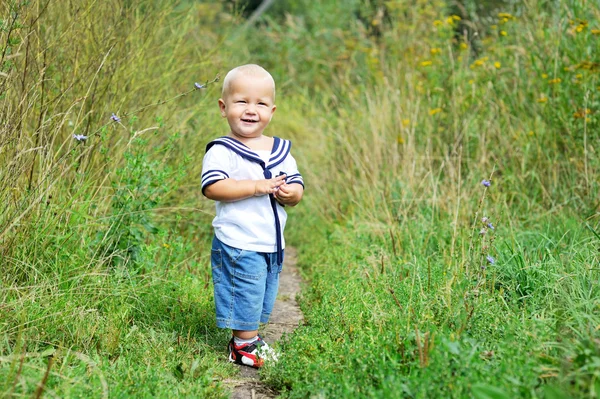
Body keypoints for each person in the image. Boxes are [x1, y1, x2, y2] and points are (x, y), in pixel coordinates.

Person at [201, 64, 304, 368]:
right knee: (245, 287)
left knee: (263, 290)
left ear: (271, 111)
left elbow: (296, 184)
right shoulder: (222, 150)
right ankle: (243, 344)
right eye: (241, 101)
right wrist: (257, 186)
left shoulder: (281, 150)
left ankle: (248, 336)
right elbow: (213, 187)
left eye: (260, 103)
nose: (250, 110)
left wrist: (292, 194)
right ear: (224, 107)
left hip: (271, 240)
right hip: (238, 239)